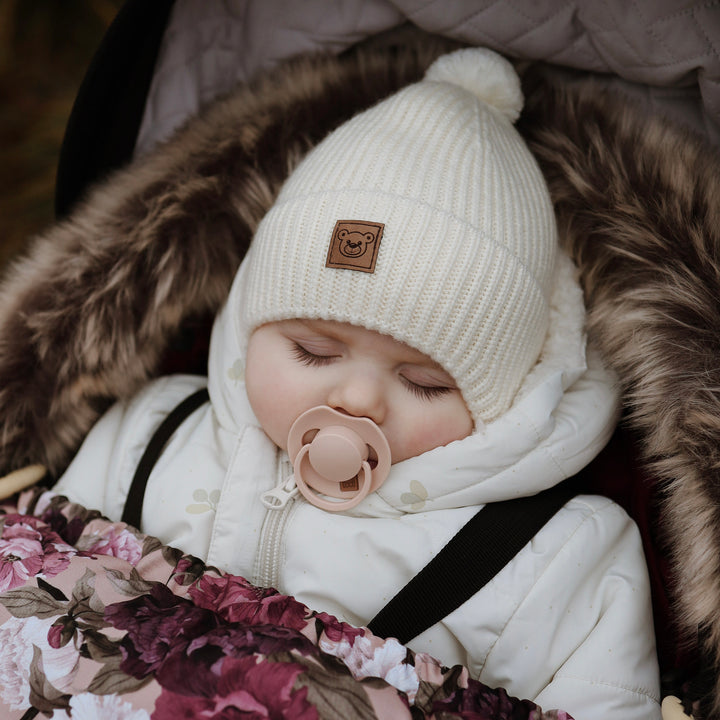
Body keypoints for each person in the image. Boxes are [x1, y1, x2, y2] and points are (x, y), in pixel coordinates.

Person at [54, 47, 661, 718]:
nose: (358, 399)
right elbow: (36, 589)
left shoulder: (558, 555)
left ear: (505, 399)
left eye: (426, 383)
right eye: (314, 350)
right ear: (252, 325)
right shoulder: (148, 435)